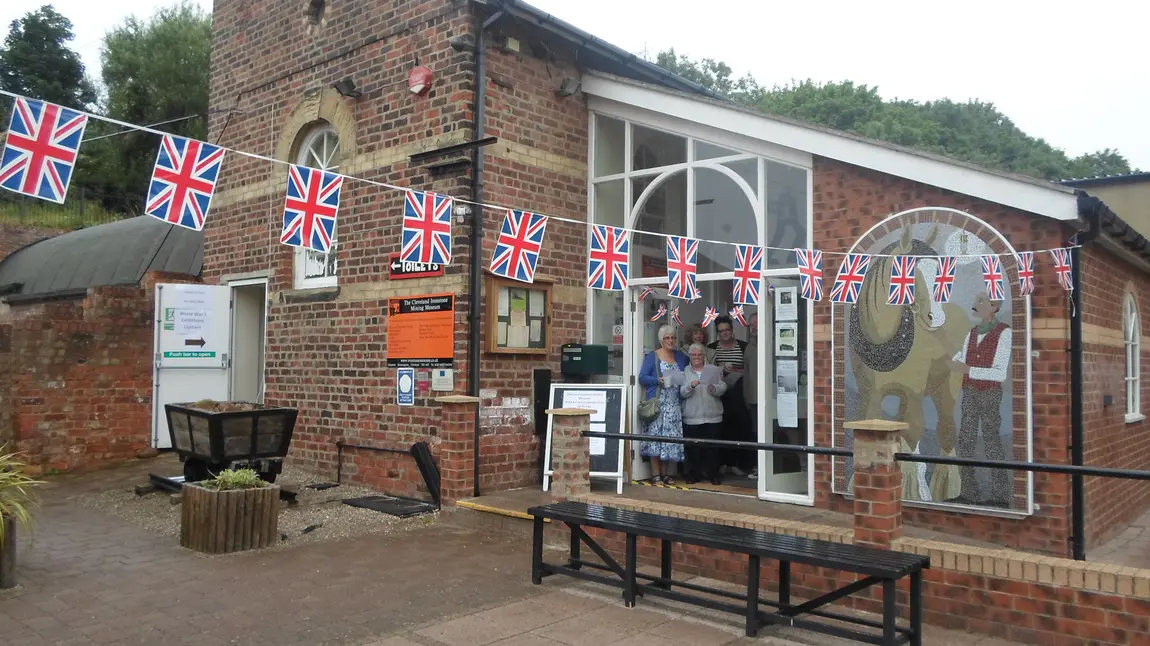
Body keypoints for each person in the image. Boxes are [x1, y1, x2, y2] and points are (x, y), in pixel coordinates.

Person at [949, 290, 1012, 507]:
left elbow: (999, 373)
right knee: (965, 441)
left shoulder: (1004, 333)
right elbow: (961, 356)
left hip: (989, 393)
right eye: (975, 299)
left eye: (980, 301)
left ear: (993, 307)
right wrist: (951, 361)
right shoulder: (972, 333)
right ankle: (969, 492)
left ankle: (1000, 496)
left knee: (992, 442)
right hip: (970, 392)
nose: (974, 303)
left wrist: (968, 369)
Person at [638, 324, 689, 485]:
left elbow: (687, 373)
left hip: (674, 405)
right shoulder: (652, 357)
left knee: (670, 441)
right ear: (661, 339)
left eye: (673, 337)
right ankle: (656, 474)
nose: (670, 340)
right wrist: (657, 380)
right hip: (658, 404)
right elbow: (642, 377)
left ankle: (668, 474)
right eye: (667, 338)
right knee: (656, 439)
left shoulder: (680, 356)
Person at [707, 315, 750, 474]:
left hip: (739, 392)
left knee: (739, 428)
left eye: (727, 330)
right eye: (721, 331)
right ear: (717, 333)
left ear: (732, 331)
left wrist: (738, 370)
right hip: (718, 394)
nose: (725, 333)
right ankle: (723, 463)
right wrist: (721, 370)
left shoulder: (743, 346)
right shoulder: (711, 348)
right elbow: (707, 371)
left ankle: (737, 464)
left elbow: (752, 369)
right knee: (720, 428)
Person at [680, 343, 726, 485]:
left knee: (712, 448)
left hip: (712, 416)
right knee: (694, 448)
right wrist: (690, 386)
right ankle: (694, 474)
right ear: (690, 356)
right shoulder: (685, 371)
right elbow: (681, 392)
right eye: (693, 355)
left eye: (699, 354)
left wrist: (714, 388)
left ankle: (713, 474)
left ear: (703, 355)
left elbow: (723, 387)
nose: (696, 357)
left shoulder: (713, 370)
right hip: (692, 416)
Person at [743, 313, 760, 479]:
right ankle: (759, 466)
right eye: (752, 324)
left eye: (757, 323)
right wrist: (747, 397)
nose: (754, 327)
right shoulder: (749, 348)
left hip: (772, 398)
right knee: (756, 433)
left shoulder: (772, 342)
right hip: (754, 398)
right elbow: (747, 376)